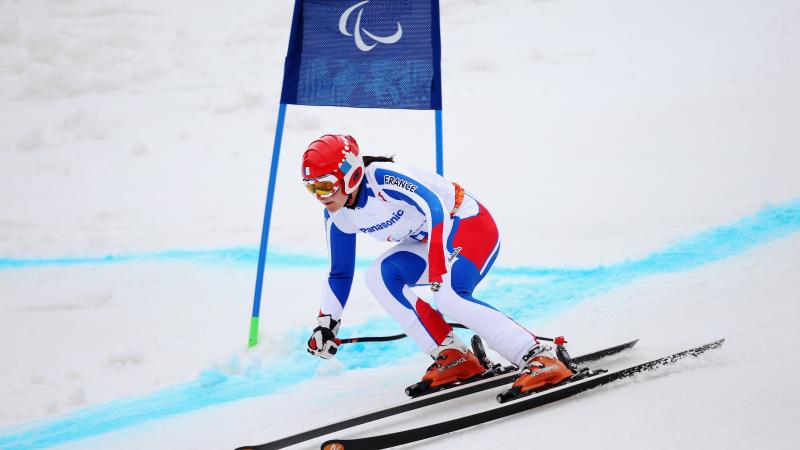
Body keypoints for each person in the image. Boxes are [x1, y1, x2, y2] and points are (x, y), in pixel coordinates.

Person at [302, 134, 572, 394]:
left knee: (448, 296)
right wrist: (327, 324)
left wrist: (437, 264)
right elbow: (339, 273)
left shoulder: (382, 178)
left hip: (467, 223)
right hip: (432, 240)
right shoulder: (338, 216)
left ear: (352, 176)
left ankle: (536, 355)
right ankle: (453, 354)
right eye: (310, 187)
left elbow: (434, 206)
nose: (319, 195)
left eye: (325, 185)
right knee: (378, 277)